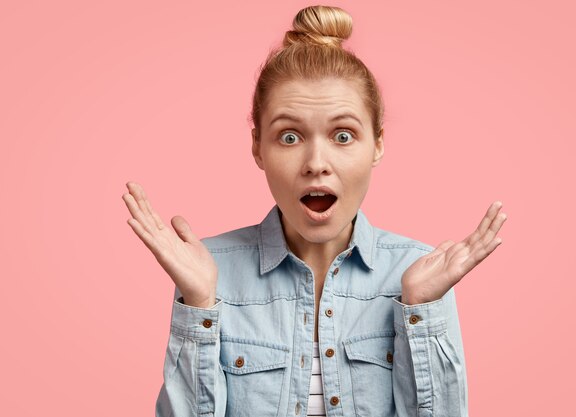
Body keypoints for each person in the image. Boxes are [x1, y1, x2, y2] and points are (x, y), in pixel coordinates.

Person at [122, 5, 506, 417]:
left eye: (343, 135)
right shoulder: (209, 273)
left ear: (376, 144)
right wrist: (198, 305)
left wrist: (421, 310)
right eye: (289, 136)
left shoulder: (421, 274)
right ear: (257, 148)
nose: (316, 162)